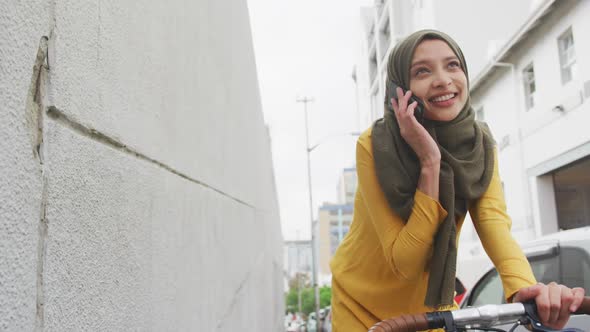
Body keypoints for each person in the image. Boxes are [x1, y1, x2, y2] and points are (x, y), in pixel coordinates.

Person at [329, 29, 585, 332]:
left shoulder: (480, 144)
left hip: (432, 307)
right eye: (422, 71)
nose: (443, 79)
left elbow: (492, 223)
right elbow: (405, 262)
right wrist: (430, 162)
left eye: (453, 65)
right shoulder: (375, 145)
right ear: (399, 87)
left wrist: (525, 291)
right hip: (360, 304)